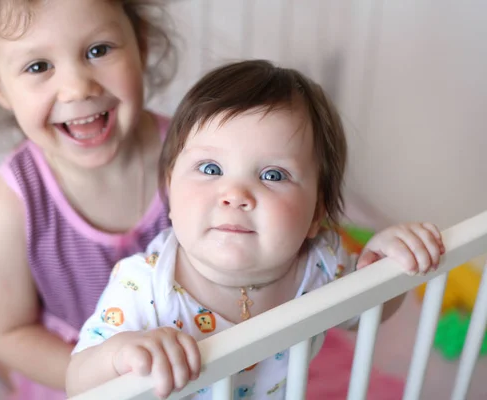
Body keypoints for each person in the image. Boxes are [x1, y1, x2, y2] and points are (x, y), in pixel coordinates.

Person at [66, 60, 445, 399]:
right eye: (211, 169)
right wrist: (120, 355)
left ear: (317, 214)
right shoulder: (144, 285)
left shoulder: (320, 266)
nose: (235, 194)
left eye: (272, 175)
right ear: (169, 189)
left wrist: (386, 262)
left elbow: (370, 311)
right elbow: (77, 381)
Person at [0, 0, 176, 397]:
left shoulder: (194, 158)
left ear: (140, 42)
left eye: (98, 50)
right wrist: (106, 377)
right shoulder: (11, 207)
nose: (77, 88)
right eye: (38, 66)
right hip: (75, 372)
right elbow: (9, 331)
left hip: (185, 357)